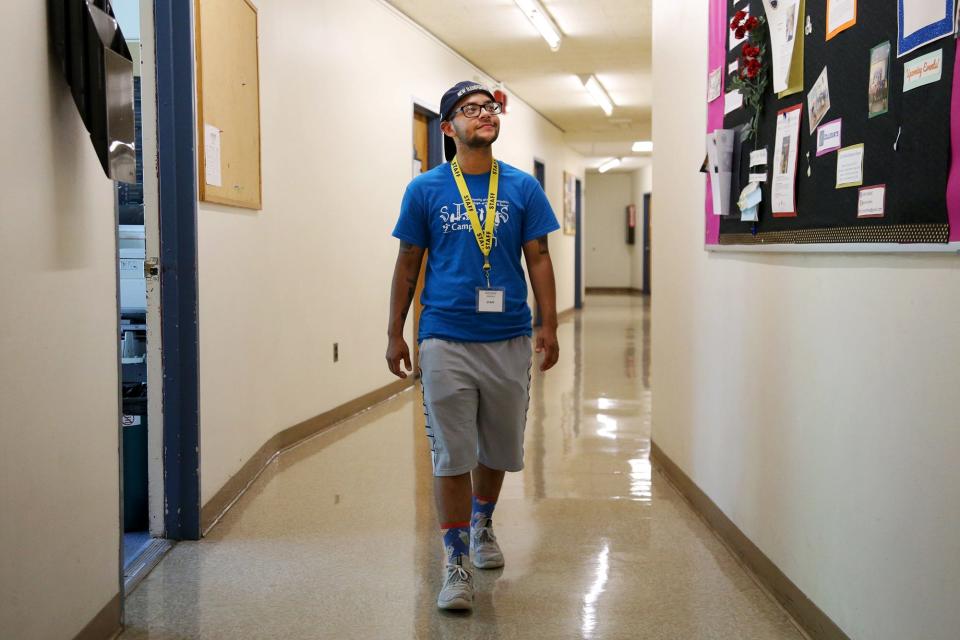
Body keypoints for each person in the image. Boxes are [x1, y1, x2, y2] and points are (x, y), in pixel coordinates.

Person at [386, 81, 560, 611]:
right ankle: (455, 557)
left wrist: (548, 325)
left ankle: (483, 522)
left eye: (488, 107)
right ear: (448, 127)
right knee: (451, 452)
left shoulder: (523, 188)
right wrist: (395, 330)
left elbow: (540, 258)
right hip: (444, 337)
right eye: (470, 109)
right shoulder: (426, 190)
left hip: (507, 336)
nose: (484, 114)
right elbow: (409, 263)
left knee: (497, 448)